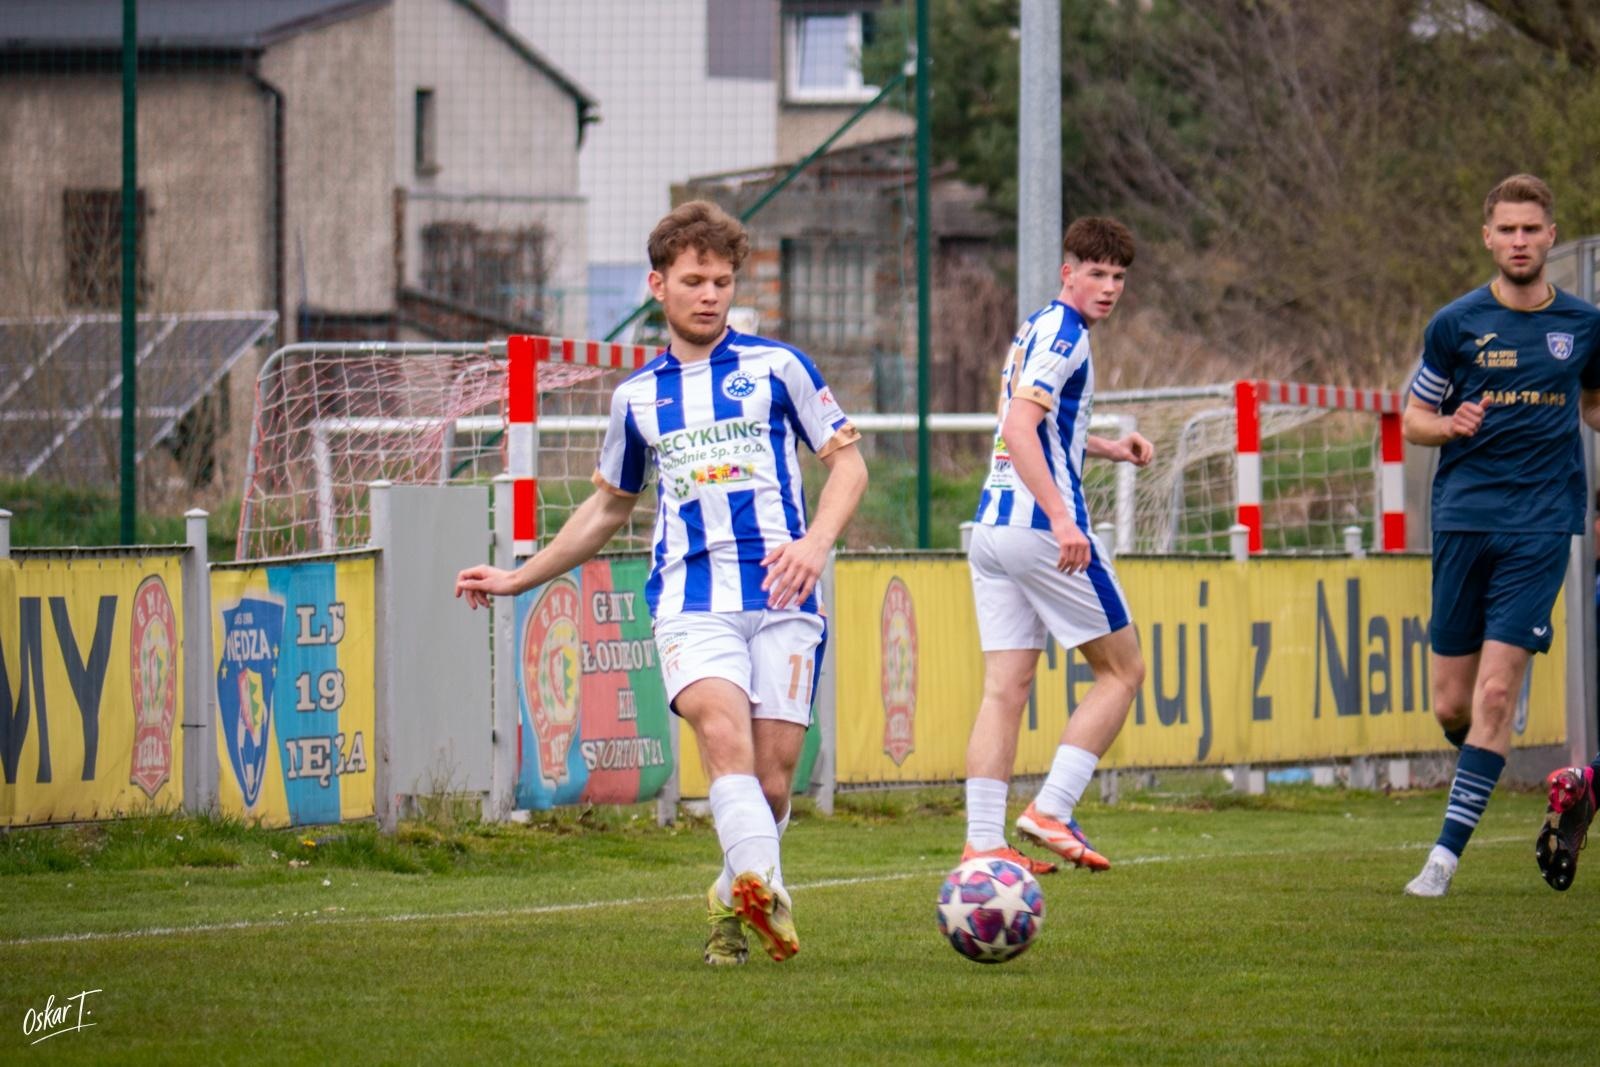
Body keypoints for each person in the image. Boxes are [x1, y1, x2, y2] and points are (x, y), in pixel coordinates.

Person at [455, 201, 868, 960]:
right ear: (658, 285)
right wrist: (519, 578)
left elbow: (849, 463)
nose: (710, 294)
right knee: (721, 735)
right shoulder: (636, 399)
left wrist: (815, 543)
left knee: (773, 785)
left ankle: (730, 892)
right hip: (690, 600)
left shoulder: (780, 368)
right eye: (694, 279)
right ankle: (762, 888)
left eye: (722, 280)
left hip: (785, 597)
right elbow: (609, 507)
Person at [1400, 174, 1600, 897]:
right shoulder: (1455, 324)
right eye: (1506, 230)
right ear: (1488, 237)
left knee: (1491, 695)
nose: (1520, 240)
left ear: (1551, 235)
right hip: (1462, 517)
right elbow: (1414, 419)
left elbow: (1597, 406)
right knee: (1453, 705)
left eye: (1531, 228)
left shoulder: (1584, 325)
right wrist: (1448, 424)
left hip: (1541, 525)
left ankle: (1442, 860)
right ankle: (1489, 754)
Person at [959, 216, 1154, 875]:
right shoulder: (1067, 333)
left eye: (1119, 276)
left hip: (992, 529)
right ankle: (1052, 807)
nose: (1108, 287)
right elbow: (1018, 426)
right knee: (1123, 671)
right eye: (1096, 273)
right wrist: (1063, 519)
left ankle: (983, 842)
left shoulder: (1037, 325)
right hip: (1042, 530)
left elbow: (1033, 426)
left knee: (1004, 689)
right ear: (1067, 272)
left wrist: (1104, 447)